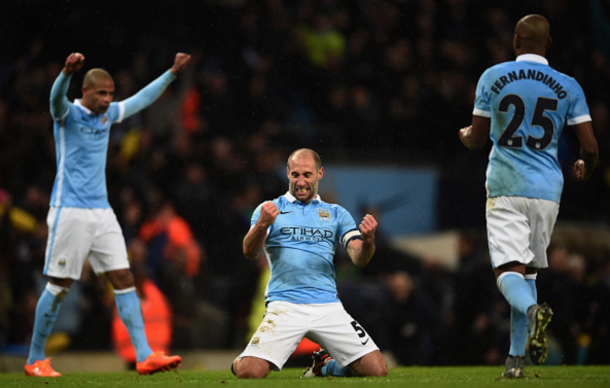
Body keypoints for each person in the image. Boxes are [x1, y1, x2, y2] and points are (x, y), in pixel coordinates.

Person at [24, 52, 191, 377]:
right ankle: (34, 359)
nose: (108, 99)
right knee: (59, 286)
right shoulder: (67, 114)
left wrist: (171, 73)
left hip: (102, 212)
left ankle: (143, 355)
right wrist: (65, 74)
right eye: (101, 93)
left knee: (124, 279)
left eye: (111, 94)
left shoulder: (108, 115)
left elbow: (141, 99)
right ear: (85, 91)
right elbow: (55, 98)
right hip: (69, 212)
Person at [459, 14, 598, 378]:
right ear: (548, 44)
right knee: (530, 274)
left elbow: (476, 139)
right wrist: (586, 165)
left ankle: (535, 313)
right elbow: (591, 146)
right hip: (548, 191)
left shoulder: (493, 76)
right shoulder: (569, 85)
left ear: (516, 41)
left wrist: (463, 136)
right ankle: (515, 363)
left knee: (507, 272)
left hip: (506, 187)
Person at [231, 148, 387, 379]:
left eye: (307, 174)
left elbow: (358, 258)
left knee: (377, 371)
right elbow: (249, 252)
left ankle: (325, 366)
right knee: (249, 373)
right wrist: (262, 225)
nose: (301, 181)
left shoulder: (336, 213)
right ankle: (241, 361)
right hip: (285, 306)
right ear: (287, 174)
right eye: (295, 175)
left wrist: (369, 241)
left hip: (328, 308)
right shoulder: (269, 209)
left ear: (320, 174)